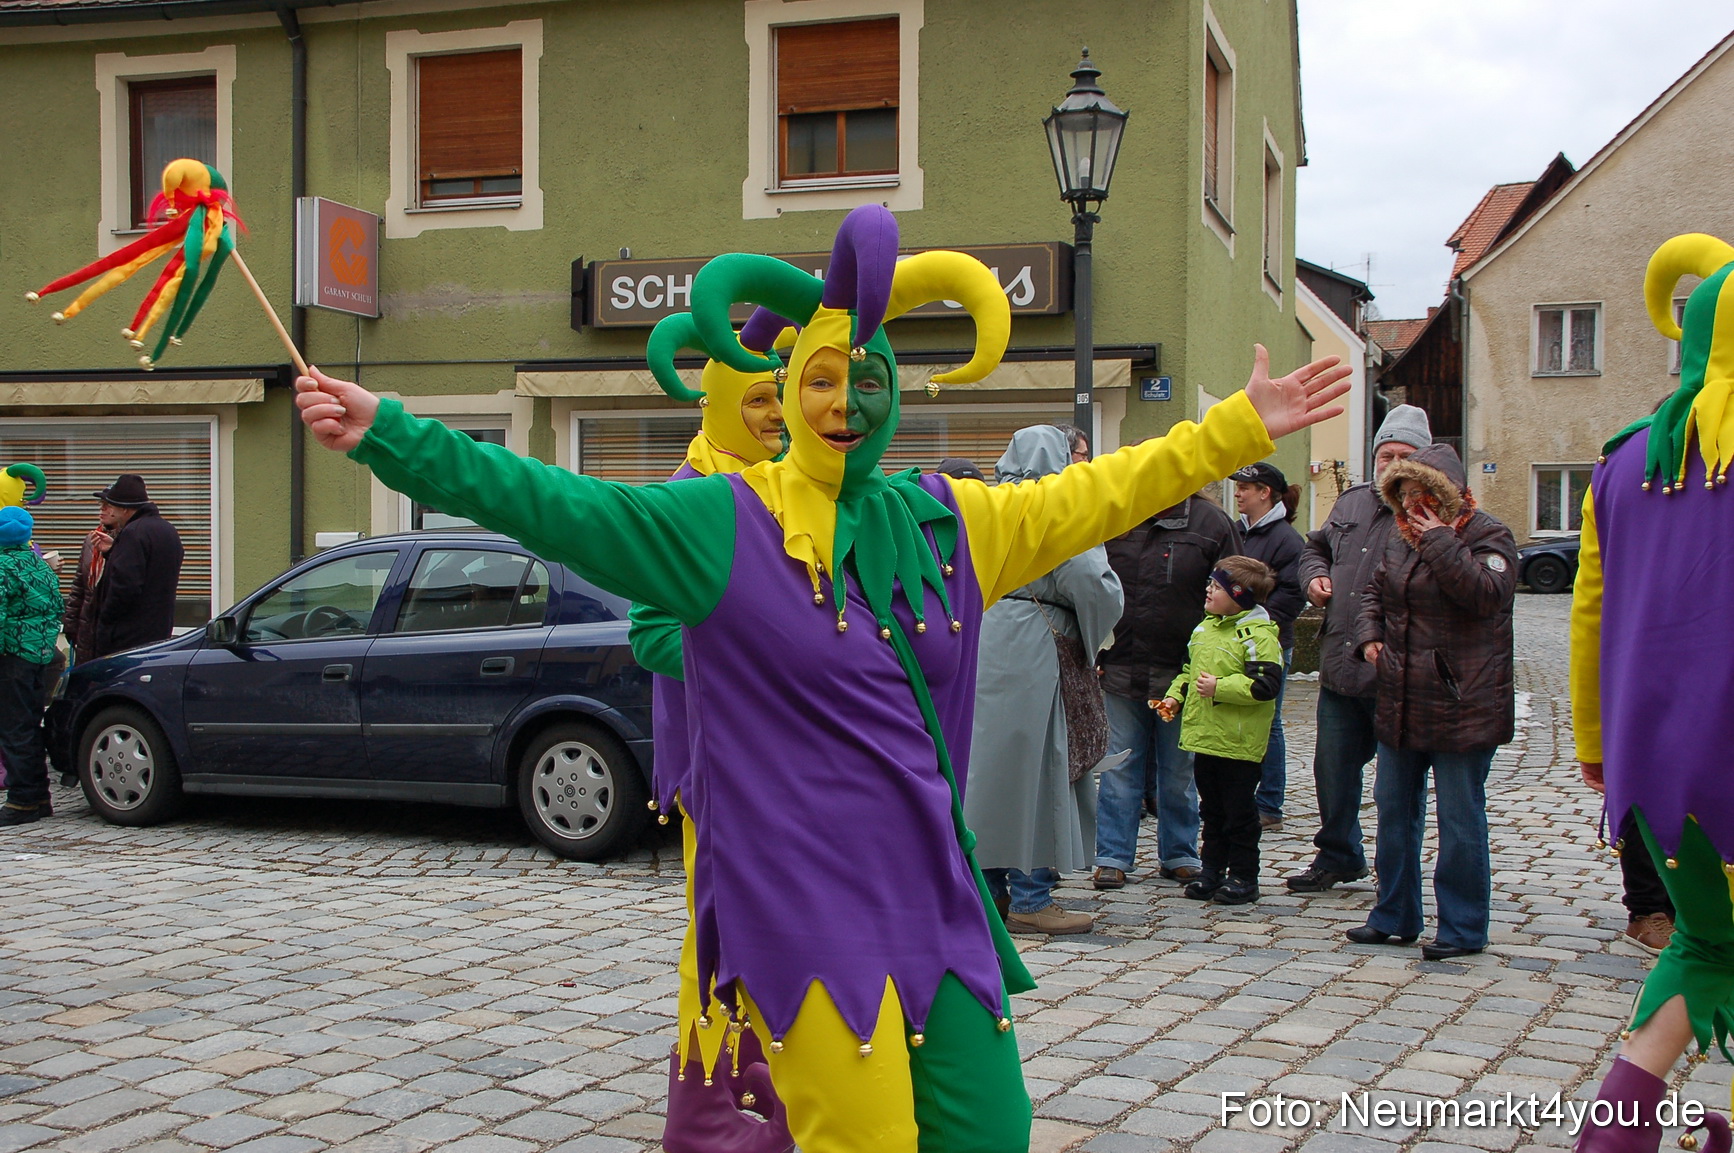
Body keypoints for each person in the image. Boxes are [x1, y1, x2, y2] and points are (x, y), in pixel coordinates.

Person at [295, 205, 1350, 1153]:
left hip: (931, 884)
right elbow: (551, 502)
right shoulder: (721, 522)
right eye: (824, 379)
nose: (848, 401)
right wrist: (392, 435)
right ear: (793, 391)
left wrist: (1236, 427)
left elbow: (1102, 490)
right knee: (864, 1137)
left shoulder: (953, 520)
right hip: (799, 897)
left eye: (870, 379)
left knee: (990, 1126)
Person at [1569, 234, 1734, 1153]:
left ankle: (1613, 1137)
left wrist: (1597, 745)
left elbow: (1590, 615)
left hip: (1664, 776)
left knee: (1706, 944)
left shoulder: (1623, 462)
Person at [626, 308, 796, 1153]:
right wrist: (751, 649)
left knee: (778, 918)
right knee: (721, 925)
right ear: (722, 400)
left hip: (784, 755)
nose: (775, 414)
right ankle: (701, 1112)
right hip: (717, 758)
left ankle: (760, 1068)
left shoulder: (787, 483)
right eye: (758, 398)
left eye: (780, 396)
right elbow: (650, 632)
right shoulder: (690, 494)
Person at [1345, 443, 1515, 961]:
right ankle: (1393, 914)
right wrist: (1369, 635)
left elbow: (1486, 594)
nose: (1412, 503)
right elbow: (1373, 593)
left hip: (1463, 700)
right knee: (1394, 811)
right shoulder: (1399, 539)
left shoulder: (1488, 535)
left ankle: (1463, 926)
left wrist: (1441, 541)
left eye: (1422, 492)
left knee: (1460, 819)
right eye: (1404, 494)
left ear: (1446, 493)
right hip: (1400, 697)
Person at [966, 425, 1124, 935]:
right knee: (1038, 773)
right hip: (1038, 648)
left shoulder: (988, 506)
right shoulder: (1060, 507)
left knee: (989, 776)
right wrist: (1094, 634)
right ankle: (1032, 898)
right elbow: (1092, 584)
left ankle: (990, 894)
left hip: (986, 640)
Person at [1287, 404, 1432, 893]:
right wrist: (1314, 577)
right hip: (1340, 665)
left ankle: (1397, 875)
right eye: (1386, 455)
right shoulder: (1351, 503)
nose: (1393, 464)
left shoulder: (1430, 511)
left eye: (1405, 455)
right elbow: (1315, 548)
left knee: (1396, 787)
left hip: (1396, 674)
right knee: (1332, 772)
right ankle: (1339, 855)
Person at [1093, 488, 1240, 890]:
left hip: (1182, 672)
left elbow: (1237, 593)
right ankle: (1112, 855)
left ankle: (1180, 852)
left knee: (1178, 770)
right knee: (1119, 765)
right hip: (1120, 664)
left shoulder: (1211, 523)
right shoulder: (1116, 512)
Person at [1155, 555, 1283, 905]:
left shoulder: (1258, 635)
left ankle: (1244, 876)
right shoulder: (1204, 629)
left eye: (1217, 587)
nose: (1209, 590)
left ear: (1239, 596)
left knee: (1239, 814)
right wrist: (1174, 697)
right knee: (1211, 811)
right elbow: (1188, 672)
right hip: (1206, 739)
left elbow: (1265, 685)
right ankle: (1212, 871)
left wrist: (1220, 688)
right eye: (1210, 584)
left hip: (1239, 744)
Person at [1229, 461, 1305, 829]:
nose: (1238, 494)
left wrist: (1254, 626)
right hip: (1231, 642)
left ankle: (1270, 802)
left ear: (1265, 493)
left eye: (1245, 488)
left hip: (1269, 644)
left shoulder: (1287, 540)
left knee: (1268, 722)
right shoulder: (1237, 532)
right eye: (1238, 487)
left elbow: (1292, 595)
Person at [0, 507, 67, 826]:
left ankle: (23, 800)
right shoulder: (39, 566)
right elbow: (57, 608)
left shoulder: (2, 566)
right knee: (29, 724)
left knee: (14, 727)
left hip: (11, 655)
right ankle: (39, 796)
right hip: (40, 654)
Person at [86, 474, 183, 660]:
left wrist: (105, 619)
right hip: (159, 631)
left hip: (128, 638)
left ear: (124, 508)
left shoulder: (133, 533)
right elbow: (152, 570)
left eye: (112, 506)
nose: (110, 511)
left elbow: (125, 586)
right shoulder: (168, 530)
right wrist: (114, 551)